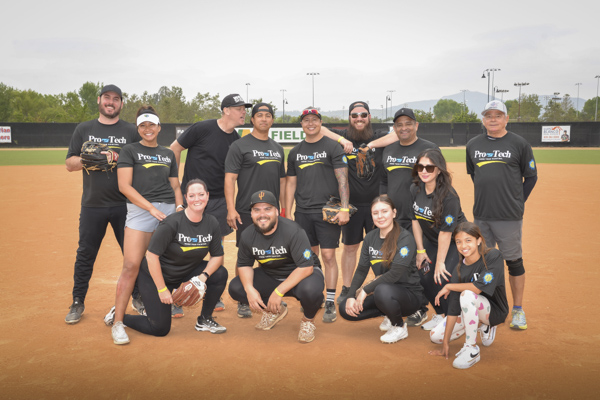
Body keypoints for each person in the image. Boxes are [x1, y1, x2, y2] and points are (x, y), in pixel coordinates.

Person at [104, 179, 228, 341]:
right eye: (192, 195)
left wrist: (201, 278)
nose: (197, 199)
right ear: (186, 198)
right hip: (155, 276)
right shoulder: (172, 222)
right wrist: (162, 289)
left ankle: (204, 319)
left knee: (220, 273)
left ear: (207, 196)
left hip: (186, 271)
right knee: (159, 328)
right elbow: (151, 256)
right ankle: (119, 317)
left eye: (201, 194)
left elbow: (217, 256)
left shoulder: (211, 222)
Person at [64, 84, 141, 324]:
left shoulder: (131, 131)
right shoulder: (84, 128)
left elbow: (141, 162)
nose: (111, 102)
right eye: (107, 97)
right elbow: (69, 163)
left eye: (116, 99)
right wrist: (90, 158)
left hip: (125, 206)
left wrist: (117, 158)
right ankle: (77, 301)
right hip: (92, 204)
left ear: (121, 104)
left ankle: (139, 296)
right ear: (99, 100)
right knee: (85, 254)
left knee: (133, 255)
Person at [108, 106, 183, 345]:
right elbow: (124, 186)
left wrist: (179, 209)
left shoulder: (167, 154)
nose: (148, 129)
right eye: (143, 125)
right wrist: (150, 208)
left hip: (168, 210)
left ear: (159, 127)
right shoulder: (130, 150)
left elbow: (175, 185)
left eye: (152, 125)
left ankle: (160, 305)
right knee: (131, 265)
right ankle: (118, 322)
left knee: (162, 263)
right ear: (137, 128)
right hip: (141, 211)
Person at [170, 93, 251, 312]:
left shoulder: (236, 140)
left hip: (219, 201)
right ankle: (178, 294)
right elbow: (175, 148)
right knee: (184, 246)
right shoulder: (203, 128)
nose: (244, 112)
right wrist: (176, 182)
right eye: (239, 108)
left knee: (217, 247)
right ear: (226, 110)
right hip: (193, 199)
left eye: (244, 109)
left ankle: (213, 294)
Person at [466, 100, 537, 330]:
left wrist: (517, 201)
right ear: (483, 119)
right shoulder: (473, 145)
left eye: (498, 115)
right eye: (489, 115)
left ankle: (517, 310)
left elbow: (531, 177)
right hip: (482, 215)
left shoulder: (519, 143)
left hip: (509, 217)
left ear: (506, 119)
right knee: (482, 263)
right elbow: (475, 175)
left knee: (513, 262)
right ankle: (488, 307)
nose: (493, 119)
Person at [228, 190, 325, 343]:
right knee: (236, 287)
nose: (262, 214)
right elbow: (244, 265)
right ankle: (273, 310)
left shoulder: (293, 231)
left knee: (311, 291)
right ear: (251, 213)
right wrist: (249, 289)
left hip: (302, 275)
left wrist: (278, 292)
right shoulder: (247, 235)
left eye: (267, 209)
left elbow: (306, 268)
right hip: (271, 274)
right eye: (257, 210)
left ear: (276, 211)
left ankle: (308, 321)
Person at [319, 101, 389, 305]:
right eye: (355, 115)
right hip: (351, 206)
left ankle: (381, 286)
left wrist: (372, 145)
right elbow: (320, 129)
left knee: (382, 248)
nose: (359, 118)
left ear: (369, 116)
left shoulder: (378, 136)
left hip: (377, 206)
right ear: (349, 118)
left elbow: (396, 135)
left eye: (363, 115)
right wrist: (342, 140)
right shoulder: (343, 137)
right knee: (350, 248)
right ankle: (347, 288)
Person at [285, 107, 350, 323]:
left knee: (328, 256)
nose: (310, 123)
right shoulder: (295, 152)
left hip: (327, 212)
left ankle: (330, 300)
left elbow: (342, 179)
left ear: (321, 123)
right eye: (306, 120)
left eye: (314, 120)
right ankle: (315, 295)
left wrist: (344, 208)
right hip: (303, 212)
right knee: (310, 257)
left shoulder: (332, 147)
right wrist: (287, 212)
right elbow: (291, 184)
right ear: (301, 124)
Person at [224, 102, 286, 318]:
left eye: (268, 115)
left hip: (272, 213)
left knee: (273, 255)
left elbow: (282, 181)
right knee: (246, 256)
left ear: (272, 120)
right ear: (252, 119)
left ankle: (269, 294)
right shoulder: (239, 146)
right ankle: (243, 297)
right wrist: (231, 209)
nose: (264, 119)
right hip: (246, 210)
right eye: (259, 115)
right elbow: (230, 179)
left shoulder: (278, 148)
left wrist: (283, 209)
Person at [381, 107, 440, 327]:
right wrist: (384, 206)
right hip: (395, 217)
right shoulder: (388, 149)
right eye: (399, 124)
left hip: (420, 217)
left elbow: (439, 180)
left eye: (408, 123)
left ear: (416, 125)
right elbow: (384, 180)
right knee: (393, 262)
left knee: (419, 264)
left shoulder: (429, 148)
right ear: (394, 128)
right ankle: (397, 306)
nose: (404, 127)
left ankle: (420, 308)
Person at [339, 195, 425, 343]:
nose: (380, 216)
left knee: (381, 289)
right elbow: (361, 270)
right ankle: (389, 313)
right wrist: (351, 296)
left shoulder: (405, 238)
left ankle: (398, 326)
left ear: (394, 213)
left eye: (384, 211)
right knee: (344, 309)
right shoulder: (370, 237)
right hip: (384, 293)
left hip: (409, 296)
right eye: (375, 213)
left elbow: (395, 274)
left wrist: (365, 291)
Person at [428, 221, 509, 369]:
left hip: (495, 311)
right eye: (458, 241)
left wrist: (449, 286)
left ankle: (472, 348)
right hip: (471, 308)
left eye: (468, 240)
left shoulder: (493, 256)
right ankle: (480, 325)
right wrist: (445, 342)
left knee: (467, 295)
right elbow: (453, 309)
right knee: (435, 336)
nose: (463, 245)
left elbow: (477, 289)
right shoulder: (459, 270)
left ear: (479, 240)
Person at [410, 148, 467, 331]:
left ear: (439, 169)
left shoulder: (449, 196)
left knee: (441, 276)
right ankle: (440, 314)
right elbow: (415, 220)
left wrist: (440, 263)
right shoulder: (415, 188)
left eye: (429, 167)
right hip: (432, 240)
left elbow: (446, 233)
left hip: (455, 241)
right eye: (420, 167)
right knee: (421, 275)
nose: (424, 171)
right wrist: (420, 251)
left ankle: (454, 317)